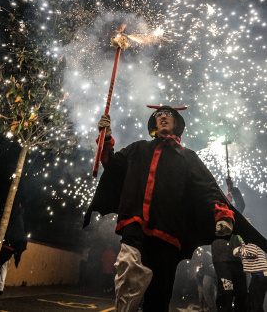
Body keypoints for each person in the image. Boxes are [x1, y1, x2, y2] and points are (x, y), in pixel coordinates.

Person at [83, 105, 267, 312]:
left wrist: (222, 214)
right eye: (159, 115)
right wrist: (106, 138)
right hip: (135, 225)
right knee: (128, 274)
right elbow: (112, 165)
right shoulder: (138, 148)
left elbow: (208, 188)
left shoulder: (188, 157)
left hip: (168, 233)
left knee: (159, 296)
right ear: (154, 123)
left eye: (168, 115)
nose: (163, 117)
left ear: (176, 123)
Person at [212, 180, 248, 311]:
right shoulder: (212, 214)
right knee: (226, 292)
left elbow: (241, 204)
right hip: (221, 259)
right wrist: (221, 202)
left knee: (242, 293)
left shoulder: (233, 215)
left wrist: (232, 189)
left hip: (236, 259)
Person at [0, 202, 27, 295]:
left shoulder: (14, 218)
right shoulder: (19, 219)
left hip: (6, 246)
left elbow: (7, 229)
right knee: (3, 266)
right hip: (11, 247)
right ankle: (0, 287)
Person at [233, 220, 267, 312]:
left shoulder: (249, 236)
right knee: (254, 304)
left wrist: (238, 250)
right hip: (258, 275)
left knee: (255, 305)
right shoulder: (249, 235)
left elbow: (252, 252)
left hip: (260, 276)